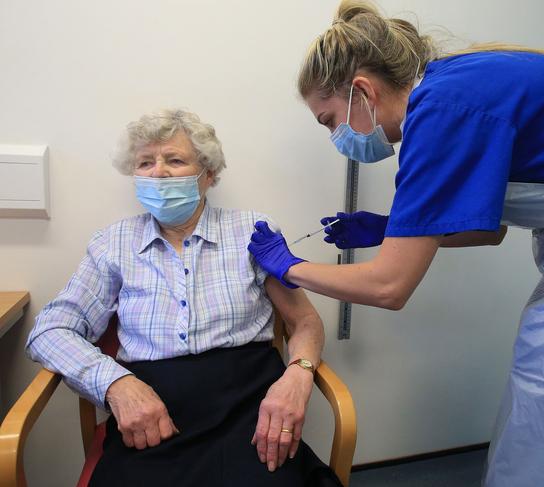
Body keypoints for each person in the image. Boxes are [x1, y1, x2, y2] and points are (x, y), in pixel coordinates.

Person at [247, 1, 544, 485]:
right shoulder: (450, 86)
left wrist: (290, 266)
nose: (335, 135)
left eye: (329, 120)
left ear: (361, 91)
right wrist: (389, 225)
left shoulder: (441, 112)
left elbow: (389, 286)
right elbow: (487, 228)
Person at [26, 109, 342, 487]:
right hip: (150, 414)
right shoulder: (113, 244)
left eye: (174, 160)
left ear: (207, 174)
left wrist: (298, 376)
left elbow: (303, 321)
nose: (157, 172)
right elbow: (50, 330)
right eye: (145, 162)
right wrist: (115, 385)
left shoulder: (252, 232)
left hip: (248, 409)